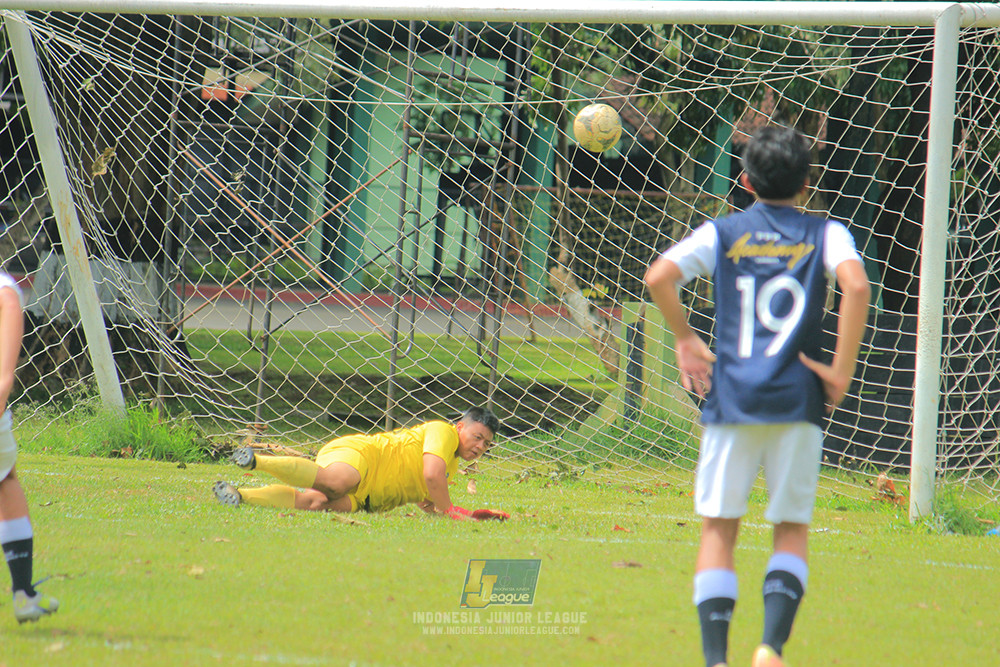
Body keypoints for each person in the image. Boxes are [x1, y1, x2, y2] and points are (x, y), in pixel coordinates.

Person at [644, 125, 870, 667]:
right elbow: (858, 286)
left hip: (733, 399)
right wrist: (841, 371)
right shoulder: (826, 232)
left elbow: (658, 277)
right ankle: (770, 647)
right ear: (807, 182)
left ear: (744, 181)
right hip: (798, 399)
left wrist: (685, 338)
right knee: (790, 529)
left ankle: (716, 659)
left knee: (720, 529)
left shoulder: (722, 231)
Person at [213, 406, 508, 520]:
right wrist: (451, 510)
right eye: (477, 437)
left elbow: (427, 500)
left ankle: (240, 495)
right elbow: (432, 476)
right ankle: (256, 460)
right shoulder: (444, 432)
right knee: (335, 483)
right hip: (363, 456)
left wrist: (471, 516)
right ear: (460, 427)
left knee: (315, 503)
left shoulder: (450, 465)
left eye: (486, 444)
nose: (480, 447)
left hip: (367, 498)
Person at [0, 272, 59, 623]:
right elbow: (4, 378)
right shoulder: (5, 291)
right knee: (6, 480)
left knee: (6, 479)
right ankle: (23, 593)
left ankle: (24, 593)